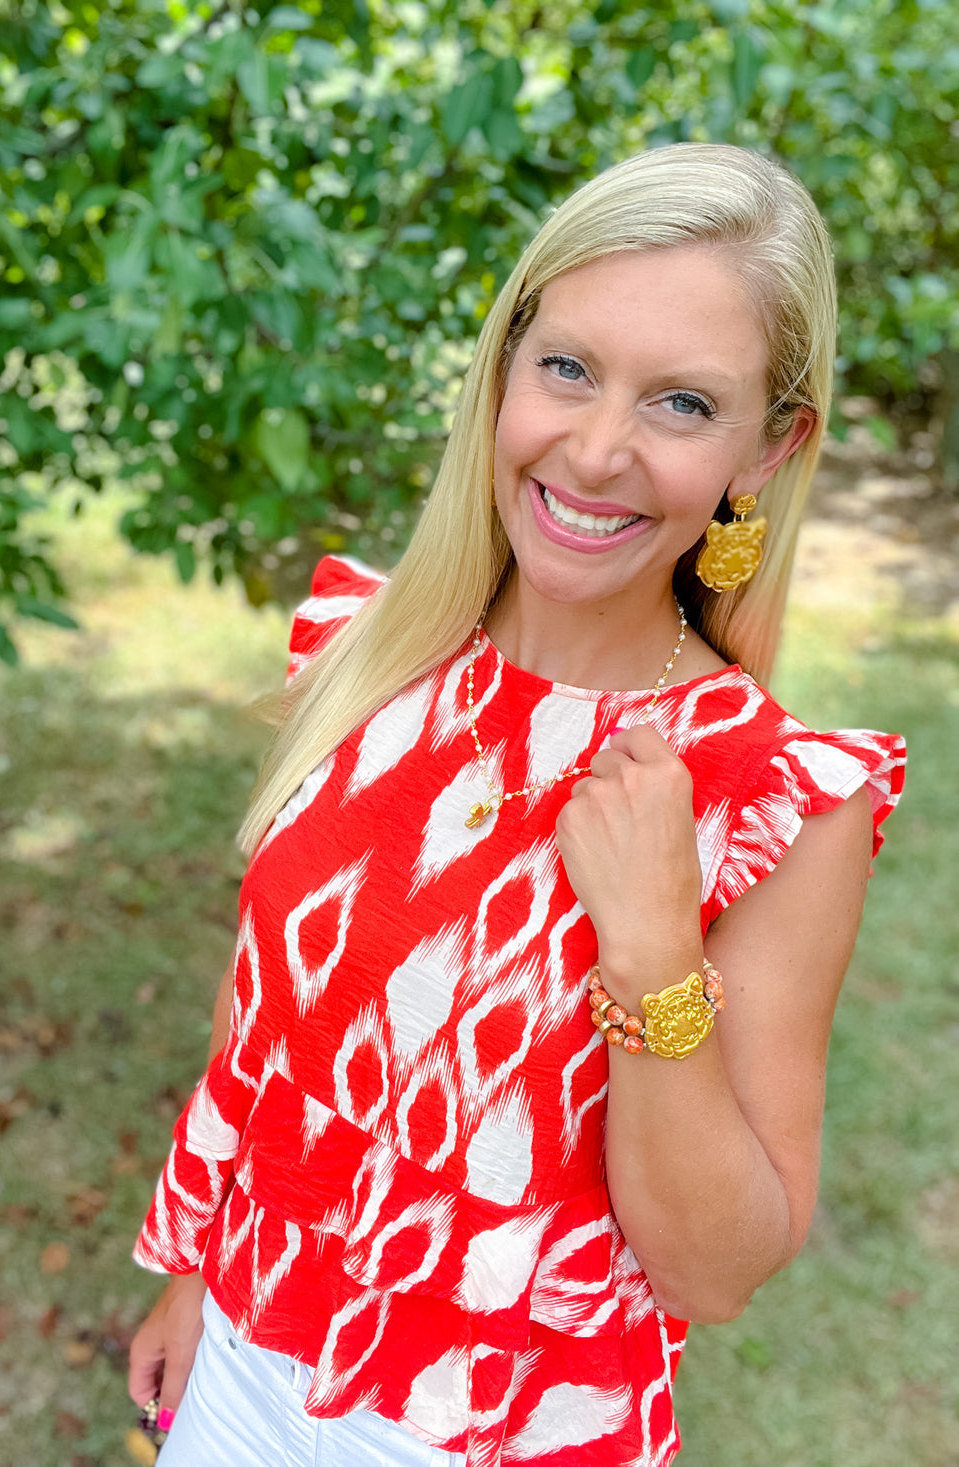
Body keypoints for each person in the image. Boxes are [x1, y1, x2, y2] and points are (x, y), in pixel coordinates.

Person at [126, 143, 905, 1467]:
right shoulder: (367, 650)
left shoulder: (774, 799)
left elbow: (714, 1273)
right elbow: (264, 1011)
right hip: (245, 1375)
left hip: (504, 1434)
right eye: (567, 370)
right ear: (505, 366)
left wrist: (654, 947)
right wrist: (194, 1265)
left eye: (680, 404)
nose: (596, 451)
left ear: (769, 450)